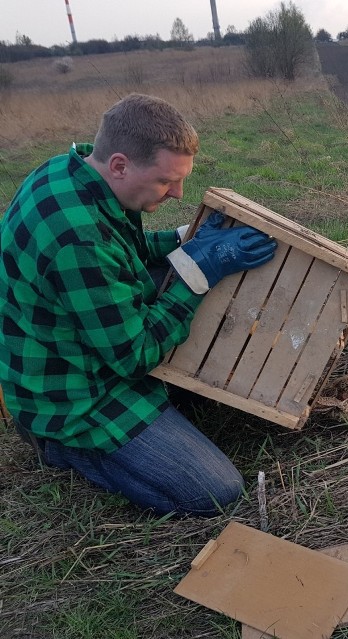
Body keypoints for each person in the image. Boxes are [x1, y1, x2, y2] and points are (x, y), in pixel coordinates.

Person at [0, 93, 277, 516]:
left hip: (75, 338)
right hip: (72, 396)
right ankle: (64, 448)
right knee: (216, 490)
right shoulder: (79, 240)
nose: (179, 194)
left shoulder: (69, 172)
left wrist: (188, 239)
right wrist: (199, 272)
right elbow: (134, 357)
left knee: (175, 285)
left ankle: (161, 405)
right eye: (166, 182)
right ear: (120, 164)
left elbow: (122, 253)